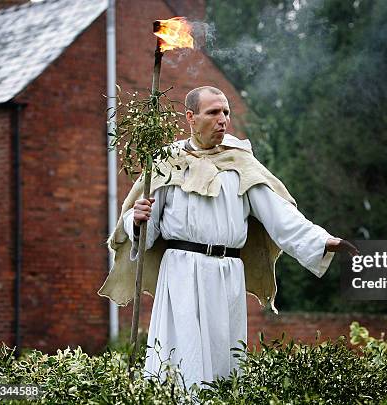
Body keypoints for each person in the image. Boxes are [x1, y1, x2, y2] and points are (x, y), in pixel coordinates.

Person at [98, 86, 358, 392]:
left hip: (226, 275)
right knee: (182, 360)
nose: (223, 119)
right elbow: (148, 232)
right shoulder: (168, 162)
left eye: (226, 112)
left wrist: (321, 241)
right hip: (181, 272)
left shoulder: (241, 164)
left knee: (226, 363)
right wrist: (136, 220)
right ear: (191, 117)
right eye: (213, 112)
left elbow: (280, 215)